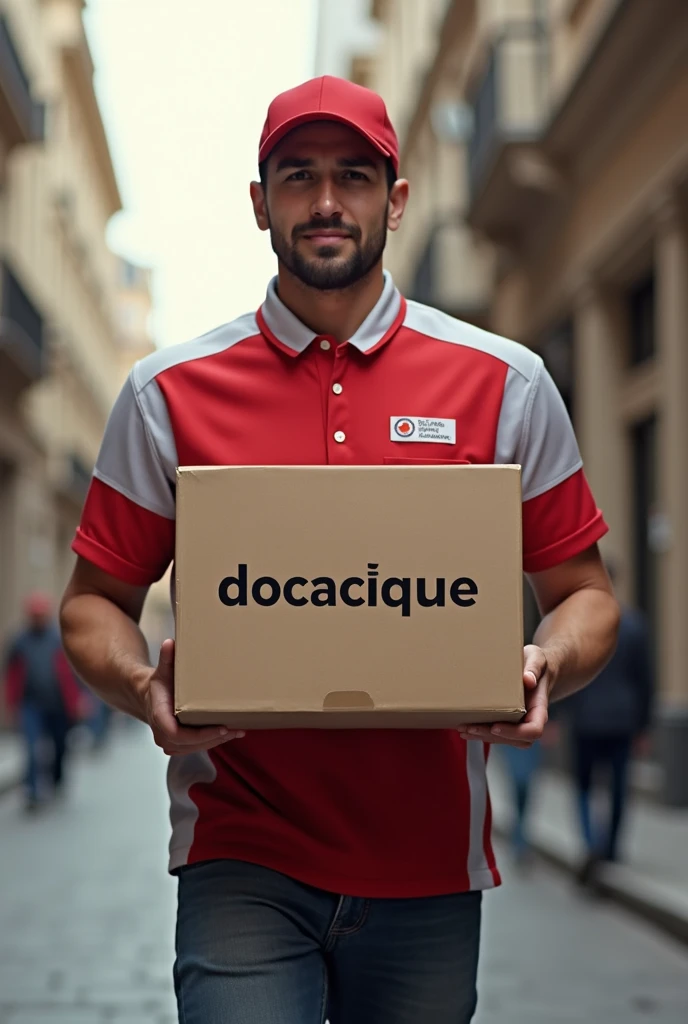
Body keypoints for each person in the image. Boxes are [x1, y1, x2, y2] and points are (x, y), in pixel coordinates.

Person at [59, 76, 619, 1024]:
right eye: (298, 176)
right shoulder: (167, 396)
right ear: (259, 201)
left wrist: (545, 662)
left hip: (431, 863)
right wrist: (140, 684)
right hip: (241, 851)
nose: (326, 202)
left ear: (396, 201)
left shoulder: (505, 383)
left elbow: (585, 593)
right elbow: (91, 604)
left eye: (354, 177)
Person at [560, 563, 653, 881]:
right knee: (618, 786)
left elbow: (567, 674)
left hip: (585, 719)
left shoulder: (575, 626)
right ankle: (610, 847)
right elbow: (645, 680)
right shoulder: (633, 624)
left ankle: (590, 842)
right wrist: (643, 726)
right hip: (622, 720)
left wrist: (557, 717)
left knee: (584, 785)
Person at [3, 592, 84, 811]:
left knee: (59, 746)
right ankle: (31, 790)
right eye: (34, 614)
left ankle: (56, 779)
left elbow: (73, 673)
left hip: (58, 705)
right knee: (31, 746)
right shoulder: (19, 642)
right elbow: (12, 674)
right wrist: (11, 705)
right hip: (31, 704)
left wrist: (78, 700)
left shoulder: (59, 640)